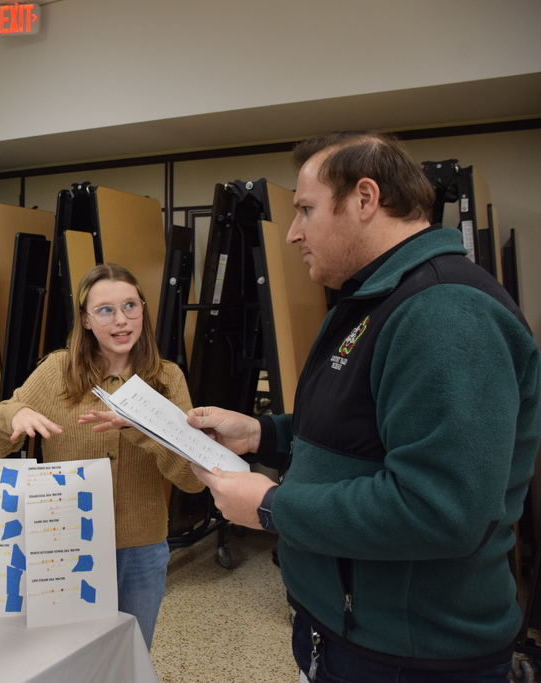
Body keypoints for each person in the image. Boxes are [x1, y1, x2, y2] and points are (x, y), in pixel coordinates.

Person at [187, 131, 541, 682]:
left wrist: (272, 507)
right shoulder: (375, 299)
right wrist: (261, 435)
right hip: (346, 631)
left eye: (305, 210)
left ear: (365, 198)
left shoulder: (443, 313)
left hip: (412, 656)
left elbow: (440, 509)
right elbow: (361, 431)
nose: (293, 234)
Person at [0, 263, 204, 649]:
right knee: (69, 658)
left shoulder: (167, 379)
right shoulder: (57, 371)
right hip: (65, 543)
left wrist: (141, 431)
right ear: (85, 319)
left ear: (144, 311)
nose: (121, 320)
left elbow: (192, 479)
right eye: (106, 310)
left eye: (130, 305)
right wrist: (13, 414)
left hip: (141, 548)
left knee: (130, 655)